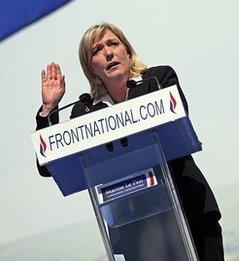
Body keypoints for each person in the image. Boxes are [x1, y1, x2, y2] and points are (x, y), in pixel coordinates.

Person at [35, 23, 224, 261]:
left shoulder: (158, 79)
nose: (108, 53)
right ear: (90, 67)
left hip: (190, 211)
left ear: (127, 51)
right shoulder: (84, 111)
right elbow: (47, 167)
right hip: (138, 233)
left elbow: (177, 119)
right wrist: (48, 109)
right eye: (97, 50)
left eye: (113, 44)